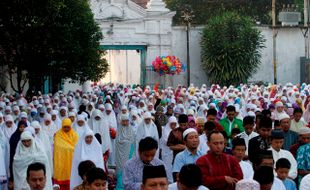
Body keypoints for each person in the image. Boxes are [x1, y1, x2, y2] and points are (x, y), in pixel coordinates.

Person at [53, 118, 79, 190]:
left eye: (68, 127)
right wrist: (70, 148)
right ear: (62, 126)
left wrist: (68, 148)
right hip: (60, 159)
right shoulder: (58, 134)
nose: (66, 128)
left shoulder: (74, 135)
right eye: (65, 127)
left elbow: (77, 146)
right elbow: (58, 146)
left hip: (71, 159)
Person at [115, 114, 135, 190]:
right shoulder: (119, 130)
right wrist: (126, 142)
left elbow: (133, 141)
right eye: (124, 121)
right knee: (121, 169)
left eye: (127, 121)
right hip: (120, 154)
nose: (125, 123)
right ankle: (120, 187)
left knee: (129, 169)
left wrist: (127, 143)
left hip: (129, 152)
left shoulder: (131, 129)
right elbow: (118, 141)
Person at [161, 116, 178, 182]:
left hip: (175, 152)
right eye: (172, 124)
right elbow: (166, 141)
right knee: (168, 167)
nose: (173, 126)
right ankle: (169, 180)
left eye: (175, 124)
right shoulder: (165, 130)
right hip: (167, 152)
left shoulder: (178, 130)